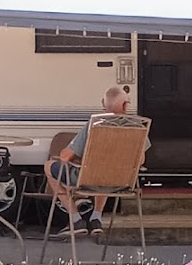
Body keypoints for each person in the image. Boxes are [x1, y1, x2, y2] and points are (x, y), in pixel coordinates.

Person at [46, 85, 130, 236]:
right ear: (125, 106)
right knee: (107, 169)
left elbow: (65, 156)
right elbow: (141, 159)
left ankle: (75, 219)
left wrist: (79, 157)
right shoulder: (135, 126)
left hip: (88, 179)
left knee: (49, 166)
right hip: (121, 182)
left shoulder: (95, 124)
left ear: (103, 105)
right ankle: (95, 218)